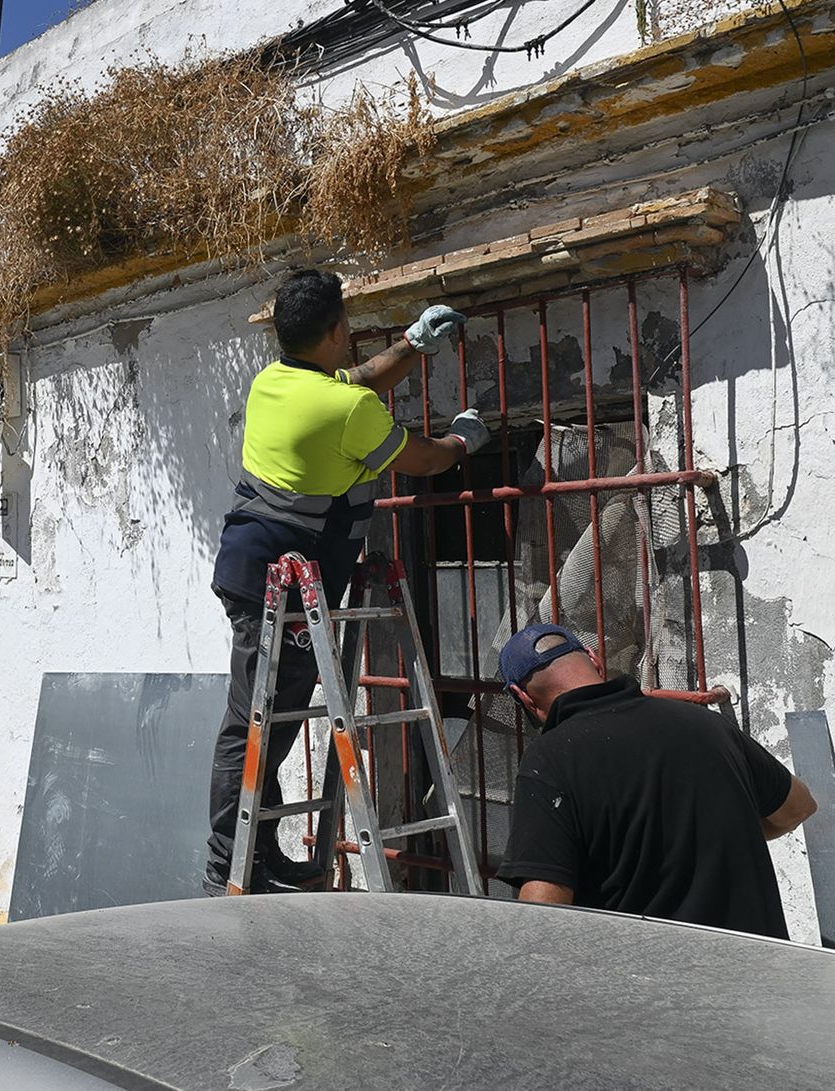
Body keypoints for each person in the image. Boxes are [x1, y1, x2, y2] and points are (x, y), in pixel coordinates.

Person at [206, 267, 491, 896]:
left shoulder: (273, 383)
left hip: (254, 573)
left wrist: (413, 346)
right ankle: (227, 866)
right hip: (279, 587)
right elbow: (423, 460)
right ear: (339, 330)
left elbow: (351, 385)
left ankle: (255, 854)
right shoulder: (350, 410)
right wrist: (463, 441)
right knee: (256, 725)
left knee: (263, 715)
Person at [495, 623, 818, 938]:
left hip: (660, 987)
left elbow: (543, 921)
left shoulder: (550, 760)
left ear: (522, 696)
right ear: (594, 659)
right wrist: (705, 840)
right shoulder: (705, 725)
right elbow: (798, 807)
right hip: (765, 976)